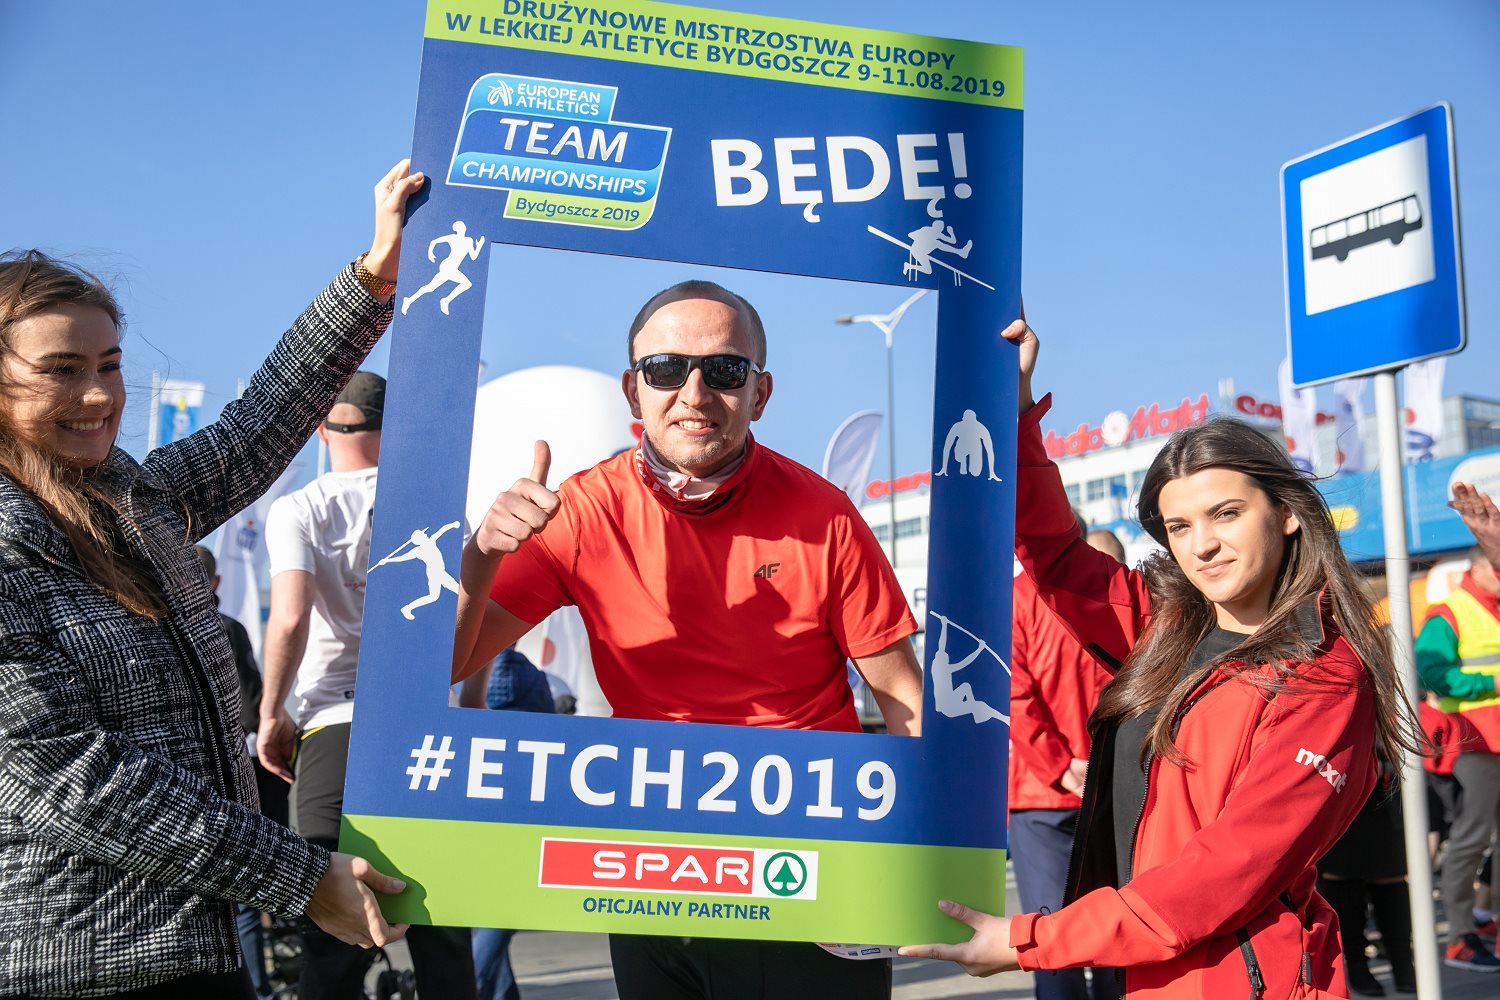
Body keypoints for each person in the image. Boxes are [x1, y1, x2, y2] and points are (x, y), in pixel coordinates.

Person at [902, 316, 1419, 998]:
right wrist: (1016, 410)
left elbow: (1222, 876)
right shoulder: (1165, 626)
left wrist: (1032, 940)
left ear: (1288, 513)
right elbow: (1056, 554)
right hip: (1147, 970)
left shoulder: (1324, 676)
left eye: (1226, 514)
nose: (1202, 545)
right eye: (1179, 526)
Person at [0, 160, 421, 998]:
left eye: (110, 364)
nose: (98, 395)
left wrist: (374, 277)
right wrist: (300, 877)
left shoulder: (134, 503)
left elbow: (256, 428)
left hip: (195, 949)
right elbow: (71, 776)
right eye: (62, 369)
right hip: (78, 968)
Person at [451, 279, 923, 1000]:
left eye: (724, 370)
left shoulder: (826, 515)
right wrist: (482, 552)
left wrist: (909, 862)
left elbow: (904, 701)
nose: (694, 393)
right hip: (656, 860)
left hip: (805, 861)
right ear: (632, 390)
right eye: (666, 369)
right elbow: (448, 662)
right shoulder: (580, 509)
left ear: (760, 393)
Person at [258, 372, 476, 1000]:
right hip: (427, 723)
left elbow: (291, 618)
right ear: (394, 428)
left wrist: (272, 712)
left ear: (321, 430)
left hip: (334, 723)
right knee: (443, 931)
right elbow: (474, 613)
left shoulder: (299, 508)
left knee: (333, 934)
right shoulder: (435, 504)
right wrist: (470, 705)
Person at [1007, 526, 1117, 1000]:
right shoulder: (1116, 599)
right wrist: (1070, 765)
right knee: (1104, 937)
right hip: (1091, 788)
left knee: (1056, 941)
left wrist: (1060, 766)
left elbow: (1009, 692)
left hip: (1051, 792)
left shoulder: (1017, 600)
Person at [192, 544, 288, 998]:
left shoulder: (147, 625)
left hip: (177, 781)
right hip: (239, 768)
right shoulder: (225, 628)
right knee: (244, 896)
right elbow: (251, 707)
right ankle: (259, 990)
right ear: (215, 583)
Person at [1415, 542, 1500, 972]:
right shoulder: (1449, 611)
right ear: (1479, 568)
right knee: (1471, 838)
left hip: (1487, 739)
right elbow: (1431, 673)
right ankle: (1460, 937)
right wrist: (1490, 682)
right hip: (1475, 742)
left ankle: (1479, 925)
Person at [468, 646, 557, 1000]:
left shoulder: (468, 680)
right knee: (503, 903)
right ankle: (476, 986)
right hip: (526, 807)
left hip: (483, 801)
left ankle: (478, 986)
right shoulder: (534, 681)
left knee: (492, 903)